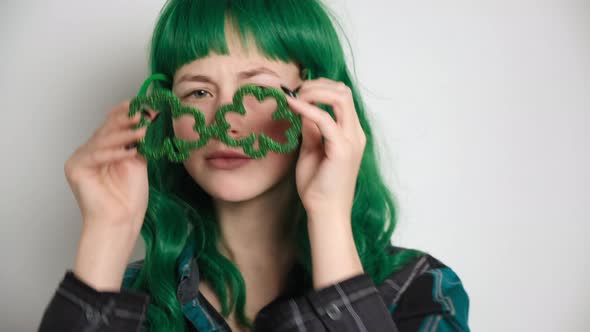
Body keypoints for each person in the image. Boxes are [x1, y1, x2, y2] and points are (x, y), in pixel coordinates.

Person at [38, 0, 470, 331]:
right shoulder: (128, 298)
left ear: (317, 105)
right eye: (198, 93)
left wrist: (328, 214)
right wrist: (108, 232)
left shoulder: (416, 288)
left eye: (258, 92)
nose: (226, 123)